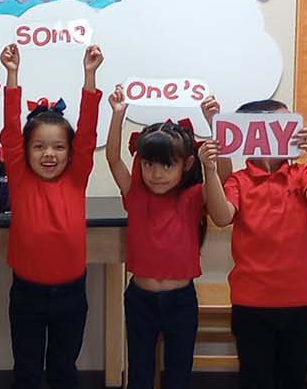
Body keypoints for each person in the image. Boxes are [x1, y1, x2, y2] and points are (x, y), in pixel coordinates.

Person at [204, 98, 307, 389]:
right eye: (281, 124)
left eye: (290, 124)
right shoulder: (239, 180)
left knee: (294, 379)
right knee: (255, 379)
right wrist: (209, 170)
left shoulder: (300, 174)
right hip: (252, 304)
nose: (288, 131)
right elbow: (222, 216)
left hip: (300, 302)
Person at [0, 43, 104, 389]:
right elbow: (12, 132)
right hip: (27, 293)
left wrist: (90, 76)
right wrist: (12, 75)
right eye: (39, 146)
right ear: (26, 151)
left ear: (70, 153)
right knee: (27, 372)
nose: (49, 154)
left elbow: (87, 134)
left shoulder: (76, 177)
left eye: (58, 147)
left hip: (71, 294)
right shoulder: (20, 176)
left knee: (63, 371)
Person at [104, 90, 208, 389]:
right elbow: (113, 159)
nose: (156, 173)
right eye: (149, 164)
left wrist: (214, 122)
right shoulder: (135, 196)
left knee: (178, 373)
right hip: (140, 299)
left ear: (185, 165)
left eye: (166, 165)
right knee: (140, 370)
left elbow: (222, 177)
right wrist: (118, 114)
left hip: (181, 300)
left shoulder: (192, 198)